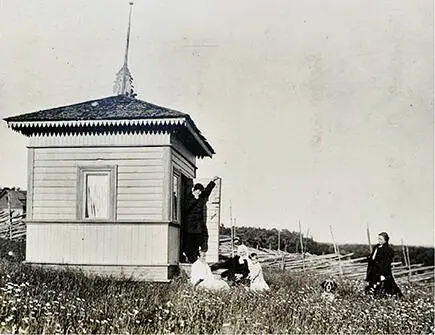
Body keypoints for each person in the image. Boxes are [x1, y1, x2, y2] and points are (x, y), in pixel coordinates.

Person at [183, 176, 219, 263]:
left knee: (202, 239)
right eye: (198, 191)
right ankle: (191, 258)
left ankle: (199, 256)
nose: (199, 192)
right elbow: (186, 208)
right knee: (191, 243)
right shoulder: (189, 198)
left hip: (199, 225)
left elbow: (207, 191)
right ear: (194, 190)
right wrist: (194, 200)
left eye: (200, 191)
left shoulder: (201, 197)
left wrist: (212, 181)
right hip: (190, 225)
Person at [365, 232, 403, 297]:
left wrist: (383, 274)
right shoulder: (376, 247)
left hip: (383, 271)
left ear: (385, 240)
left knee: (387, 285)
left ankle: (393, 297)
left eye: (381, 239)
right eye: (378, 239)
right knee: (373, 286)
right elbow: (372, 259)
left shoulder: (388, 250)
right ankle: (375, 297)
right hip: (374, 270)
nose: (379, 240)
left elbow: (387, 263)